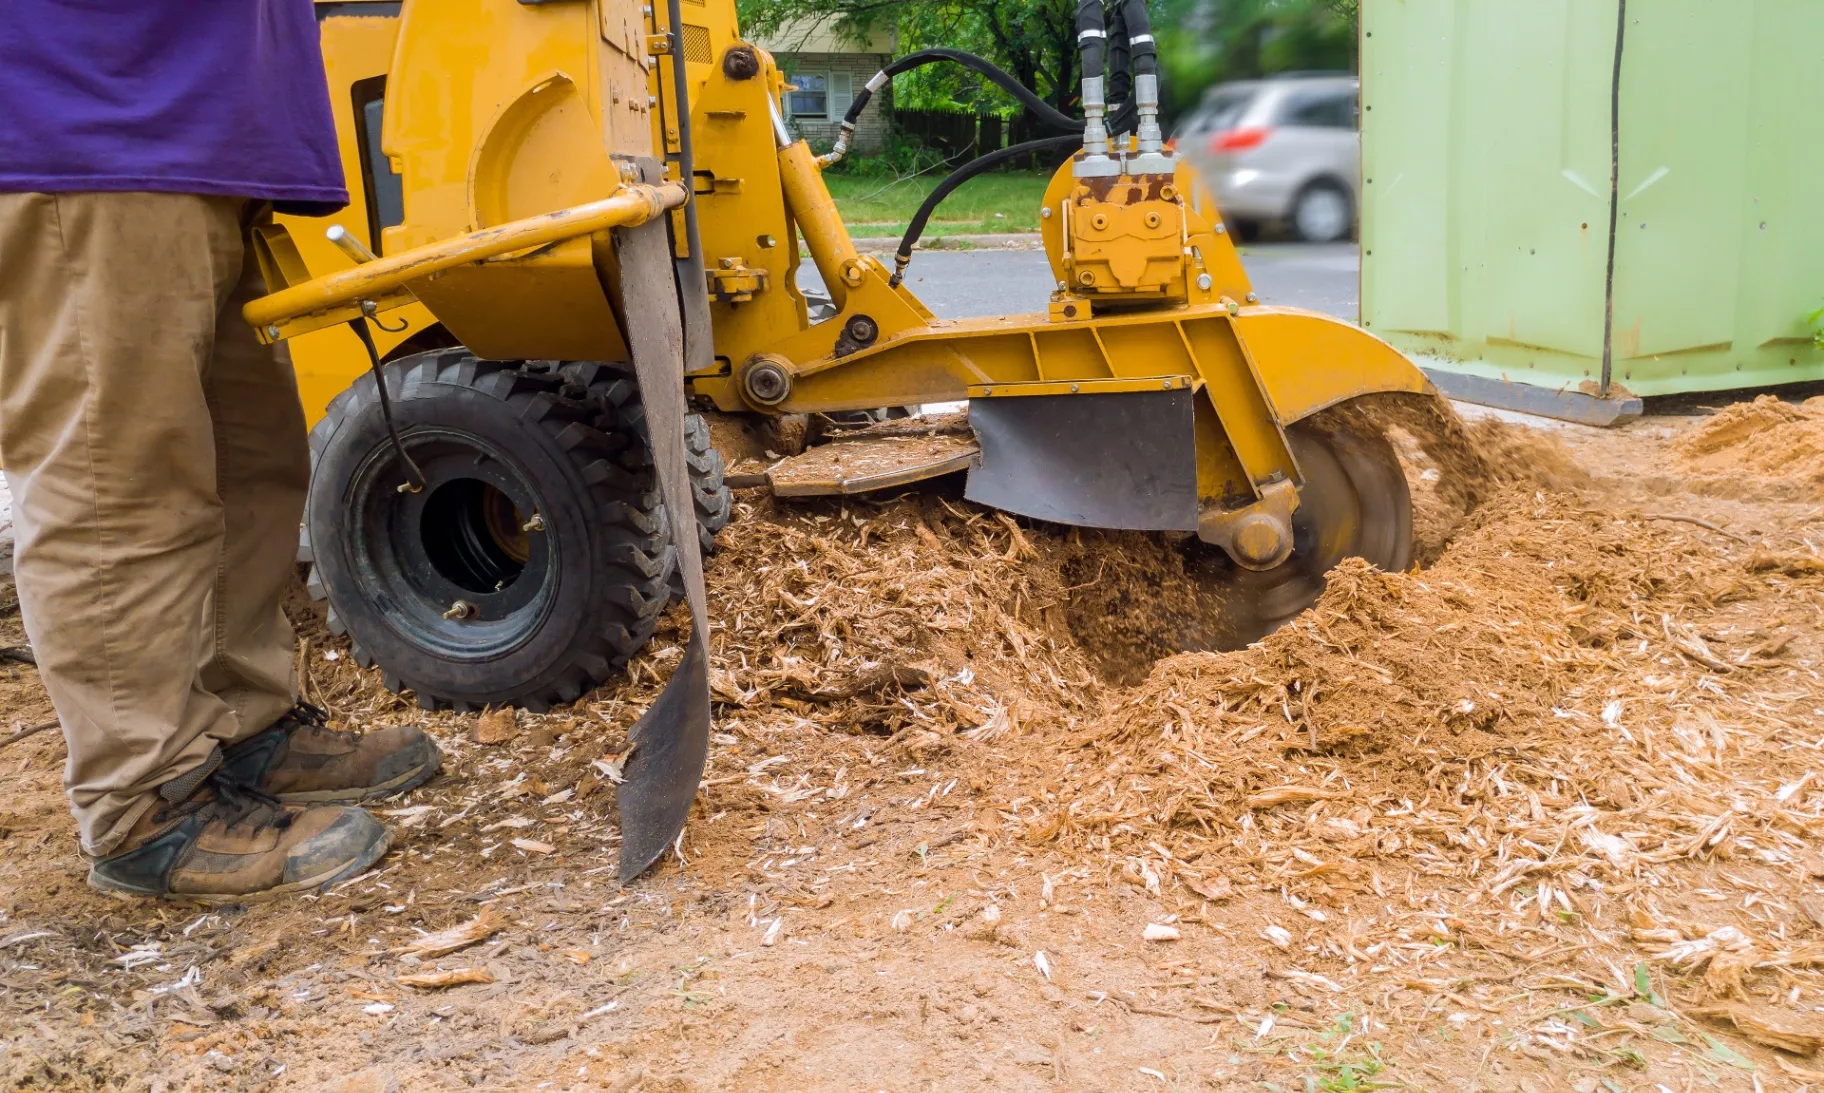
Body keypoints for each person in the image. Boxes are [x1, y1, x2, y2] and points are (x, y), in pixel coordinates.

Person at [0, 0, 440, 901]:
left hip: (208, 134)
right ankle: (142, 804)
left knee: (253, 466)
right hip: (87, 117)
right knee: (116, 480)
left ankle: (245, 727)